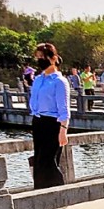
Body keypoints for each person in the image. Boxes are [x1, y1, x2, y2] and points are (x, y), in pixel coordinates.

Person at [28, 42, 70, 190]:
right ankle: (40, 192)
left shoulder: (60, 81)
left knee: (49, 161)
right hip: (38, 121)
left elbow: (64, 109)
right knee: (38, 161)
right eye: (38, 57)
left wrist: (63, 130)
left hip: (53, 123)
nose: (40, 60)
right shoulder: (38, 80)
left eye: (42, 57)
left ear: (53, 58)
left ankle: (58, 193)